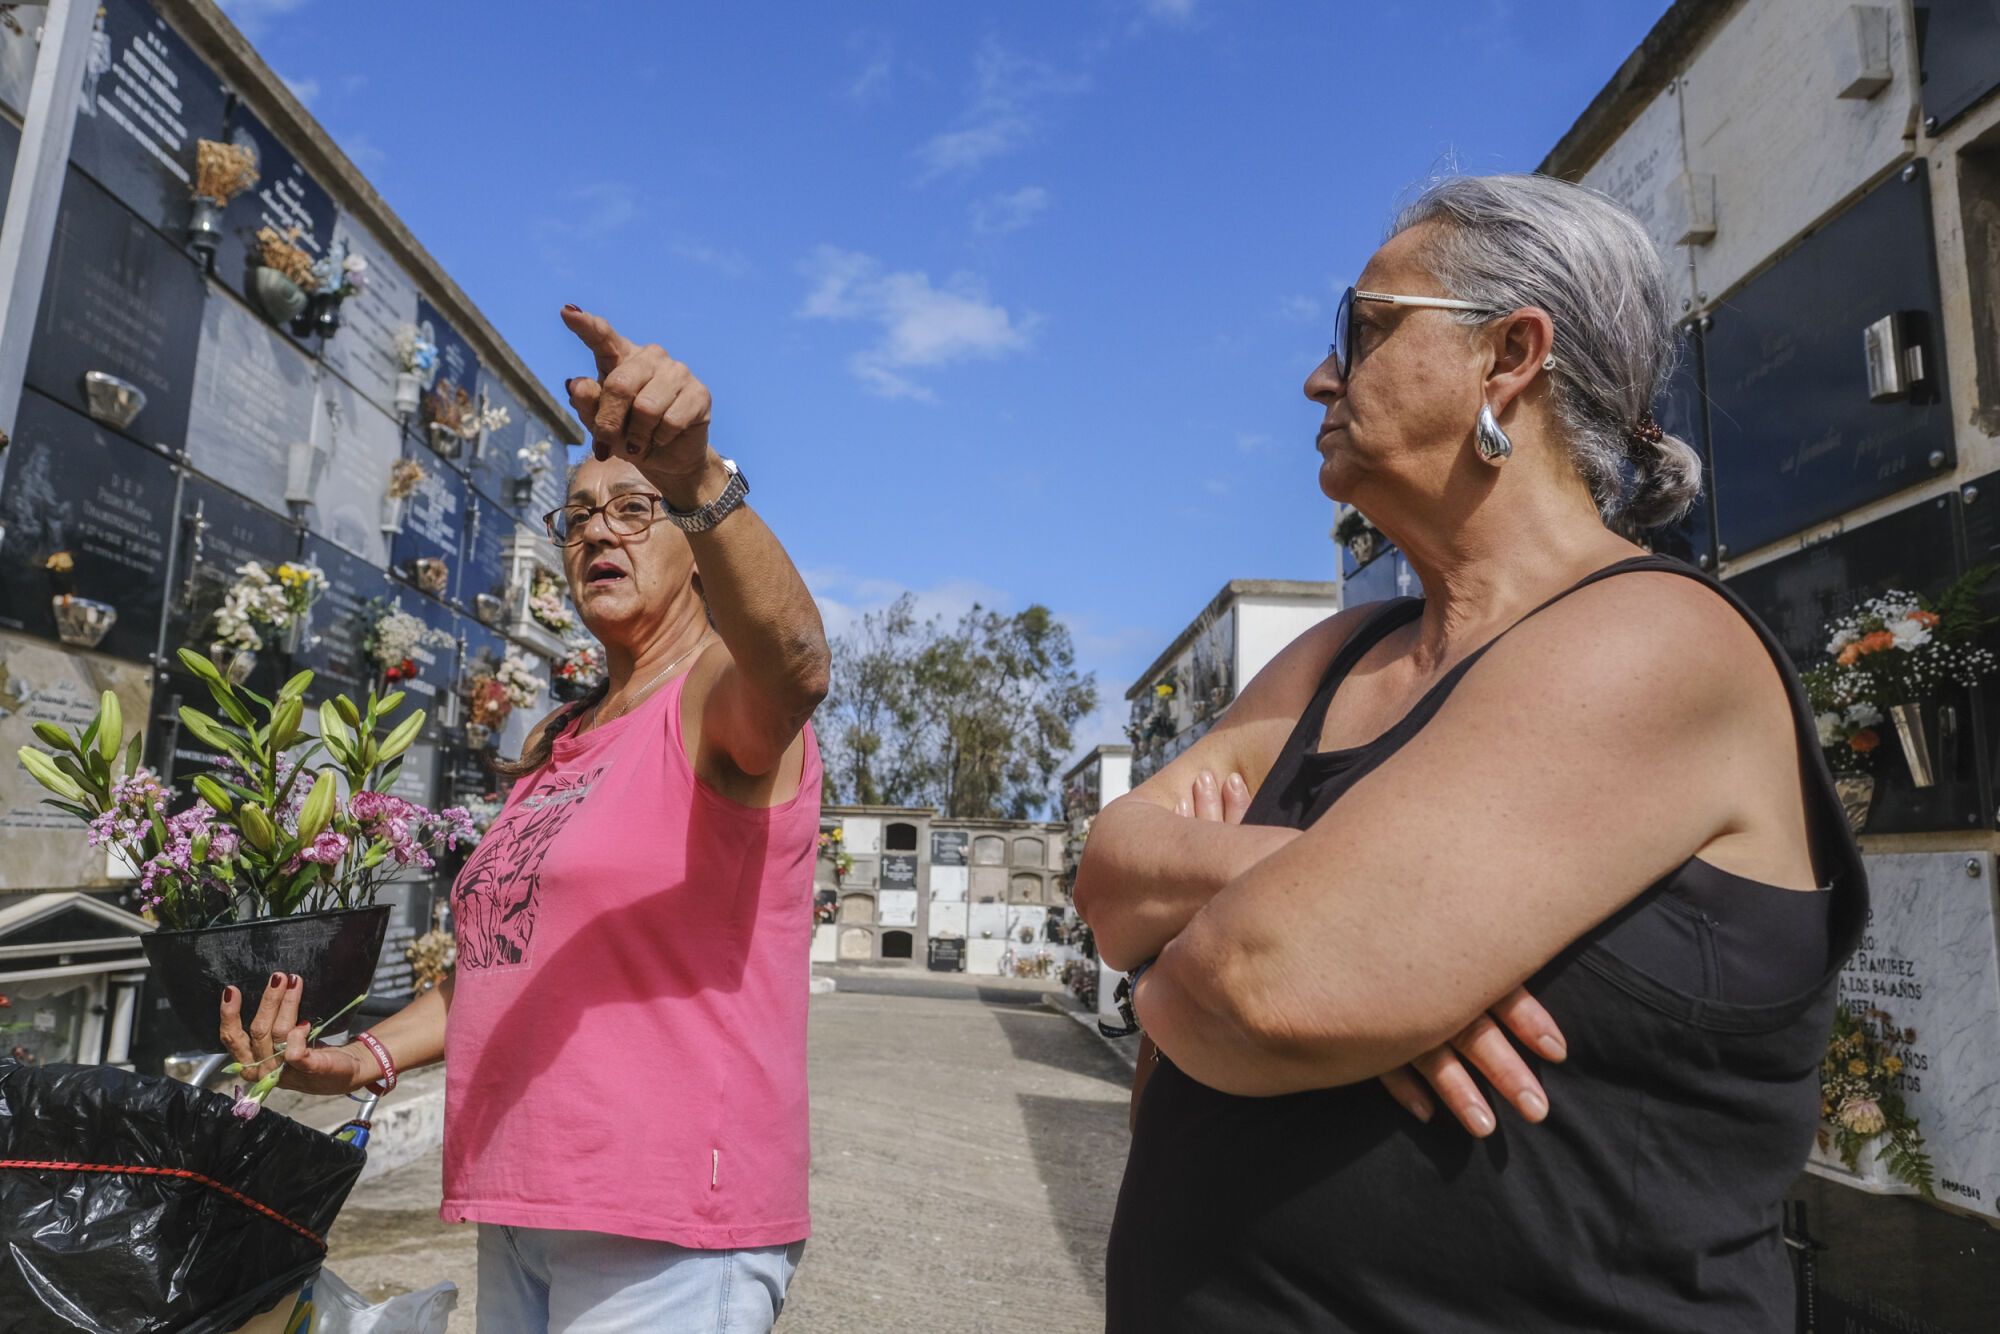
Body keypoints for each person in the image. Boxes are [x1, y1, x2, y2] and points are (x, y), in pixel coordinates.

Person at [1074, 173, 1866, 1332]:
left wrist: (1211, 925)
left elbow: (1250, 985)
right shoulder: (1343, 651)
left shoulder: (1652, 639)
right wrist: (1339, 894)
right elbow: (1104, 879)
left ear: (1508, 356)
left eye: (1364, 326)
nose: (1318, 376)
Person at [222, 307, 830, 1333]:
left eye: (634, 508)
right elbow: (503, 960)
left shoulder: (715, 697)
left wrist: (695, 477)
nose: (598, 531)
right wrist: (361, 1058)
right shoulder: (559, 736)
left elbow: (797, 665)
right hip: (521, 1201)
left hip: (669, 1224)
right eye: (579, 515)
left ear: (694, 547)